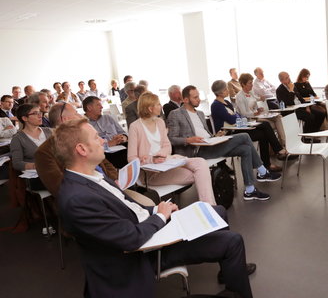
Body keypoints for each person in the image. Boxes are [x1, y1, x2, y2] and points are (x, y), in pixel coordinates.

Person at [56, 118, 253, 298]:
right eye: (96, 137)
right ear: (81, 149)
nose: (102, 141)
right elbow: (131, 239)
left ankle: (230, 274)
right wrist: (159, 217)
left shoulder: (92, 177)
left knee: (215, 211)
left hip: (148, 229)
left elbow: (129, 208)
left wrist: (156, 210)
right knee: (233, 241)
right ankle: (237, 288)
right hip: (143, 253)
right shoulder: (77, 199)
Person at [168, 85, 279, 201]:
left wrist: (215, 136)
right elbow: (172, 139)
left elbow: (206, 134)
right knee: (244, 136)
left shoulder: (200, 113)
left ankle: (250, 190)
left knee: (245, 149)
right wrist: (189, 140)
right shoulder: (175, 114)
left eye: (198, 96)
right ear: (185, 99)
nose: (199, 99)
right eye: (195, 97)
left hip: (210, 144)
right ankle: (262, 171)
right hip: (197, 150)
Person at [34, 103, 153, 206]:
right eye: (76, 113)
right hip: (91, 199)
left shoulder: (83, 138)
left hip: (112, 188)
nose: (81, 115)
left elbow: (105, 163)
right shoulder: (44, 153)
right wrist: (106, 189)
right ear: (65, 120)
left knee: (149, 204)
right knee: (147, 206)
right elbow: (61, 188)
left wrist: (116, 180)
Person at [128, 92, 216, 205]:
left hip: (168, 162)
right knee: (200, 174)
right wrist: (152, 159)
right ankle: (210, 209)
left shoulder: (159, 122)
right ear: (150, 108)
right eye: (158, 104)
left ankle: (210, 207)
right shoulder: (135, 127)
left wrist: (161, 155)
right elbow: (131, 158)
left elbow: (167, 146)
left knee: (200, 162)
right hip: (151, 173)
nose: (161, 106)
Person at [211, 80, 284, 173]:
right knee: (264, 131)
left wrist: (236, 116)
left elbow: (237, 115)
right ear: (220, 92)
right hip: (230, 133)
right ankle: (274, 156)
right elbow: (232, 119)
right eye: (225, 89)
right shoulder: (216, 106)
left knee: (265, 127)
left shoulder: (226, 102)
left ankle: (270, 160)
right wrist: (236, 116)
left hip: (238, 127)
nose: (227, 91)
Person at [235, 73, 286, 147]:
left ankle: (283, 143)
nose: (252, 85)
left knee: (279, 117)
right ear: (243, 84)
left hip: (258, 117)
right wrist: (255, 113)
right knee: (273, 124)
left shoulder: (251, 92)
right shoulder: (239, 96)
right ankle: (281, 146)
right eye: (250, 83)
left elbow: (255, 102)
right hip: (251, 120)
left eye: (252, 82)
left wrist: (259, 106)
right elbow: (244, 113)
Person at [10, 104, 52, 190]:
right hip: (37, 176)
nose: (40, 115)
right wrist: (37, 165)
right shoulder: (17, 139)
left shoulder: (49, 131)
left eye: (40, 112)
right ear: (24, 118)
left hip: (54, 170)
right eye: (35, 113)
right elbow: (17, 163)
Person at [83, 96, 128, 168]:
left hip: (119, 147)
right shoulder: (84, 124)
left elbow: (123, 132)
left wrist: (123, 137)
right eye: (98, 105)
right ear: (89, 107)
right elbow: (87, 146)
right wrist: (108, 144)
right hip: (103, 154)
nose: (102, 107)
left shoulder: (108, 118)